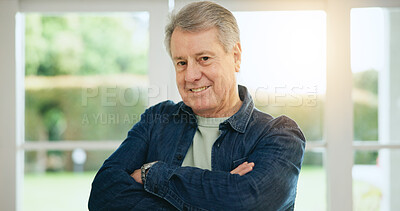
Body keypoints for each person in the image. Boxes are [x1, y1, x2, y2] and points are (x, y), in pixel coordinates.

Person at [88, 1, 305, 210]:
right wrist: (220, 192)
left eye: (204, 58)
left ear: (236, 57)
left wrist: (152, 174)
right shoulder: (157, 120)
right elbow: (103, 194)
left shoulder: (279, 135)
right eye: (181, 63)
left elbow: (248, 203)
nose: (191, 76)